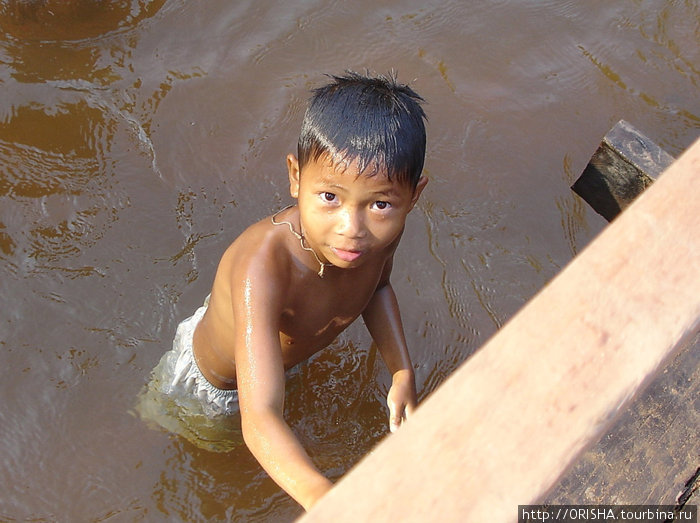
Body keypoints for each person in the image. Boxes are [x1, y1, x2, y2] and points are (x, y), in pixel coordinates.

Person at [144, 71, 428, 510]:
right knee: (193, 449)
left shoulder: (382, 236)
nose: (351, 229)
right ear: (295, 176)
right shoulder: (263, 266)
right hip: (215, 385)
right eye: (330, 197)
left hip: (278, 362)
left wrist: (401, 371)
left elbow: (379, 288)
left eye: (380, 203)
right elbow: (258, 418)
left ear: (413, 197)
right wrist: (325, 500)